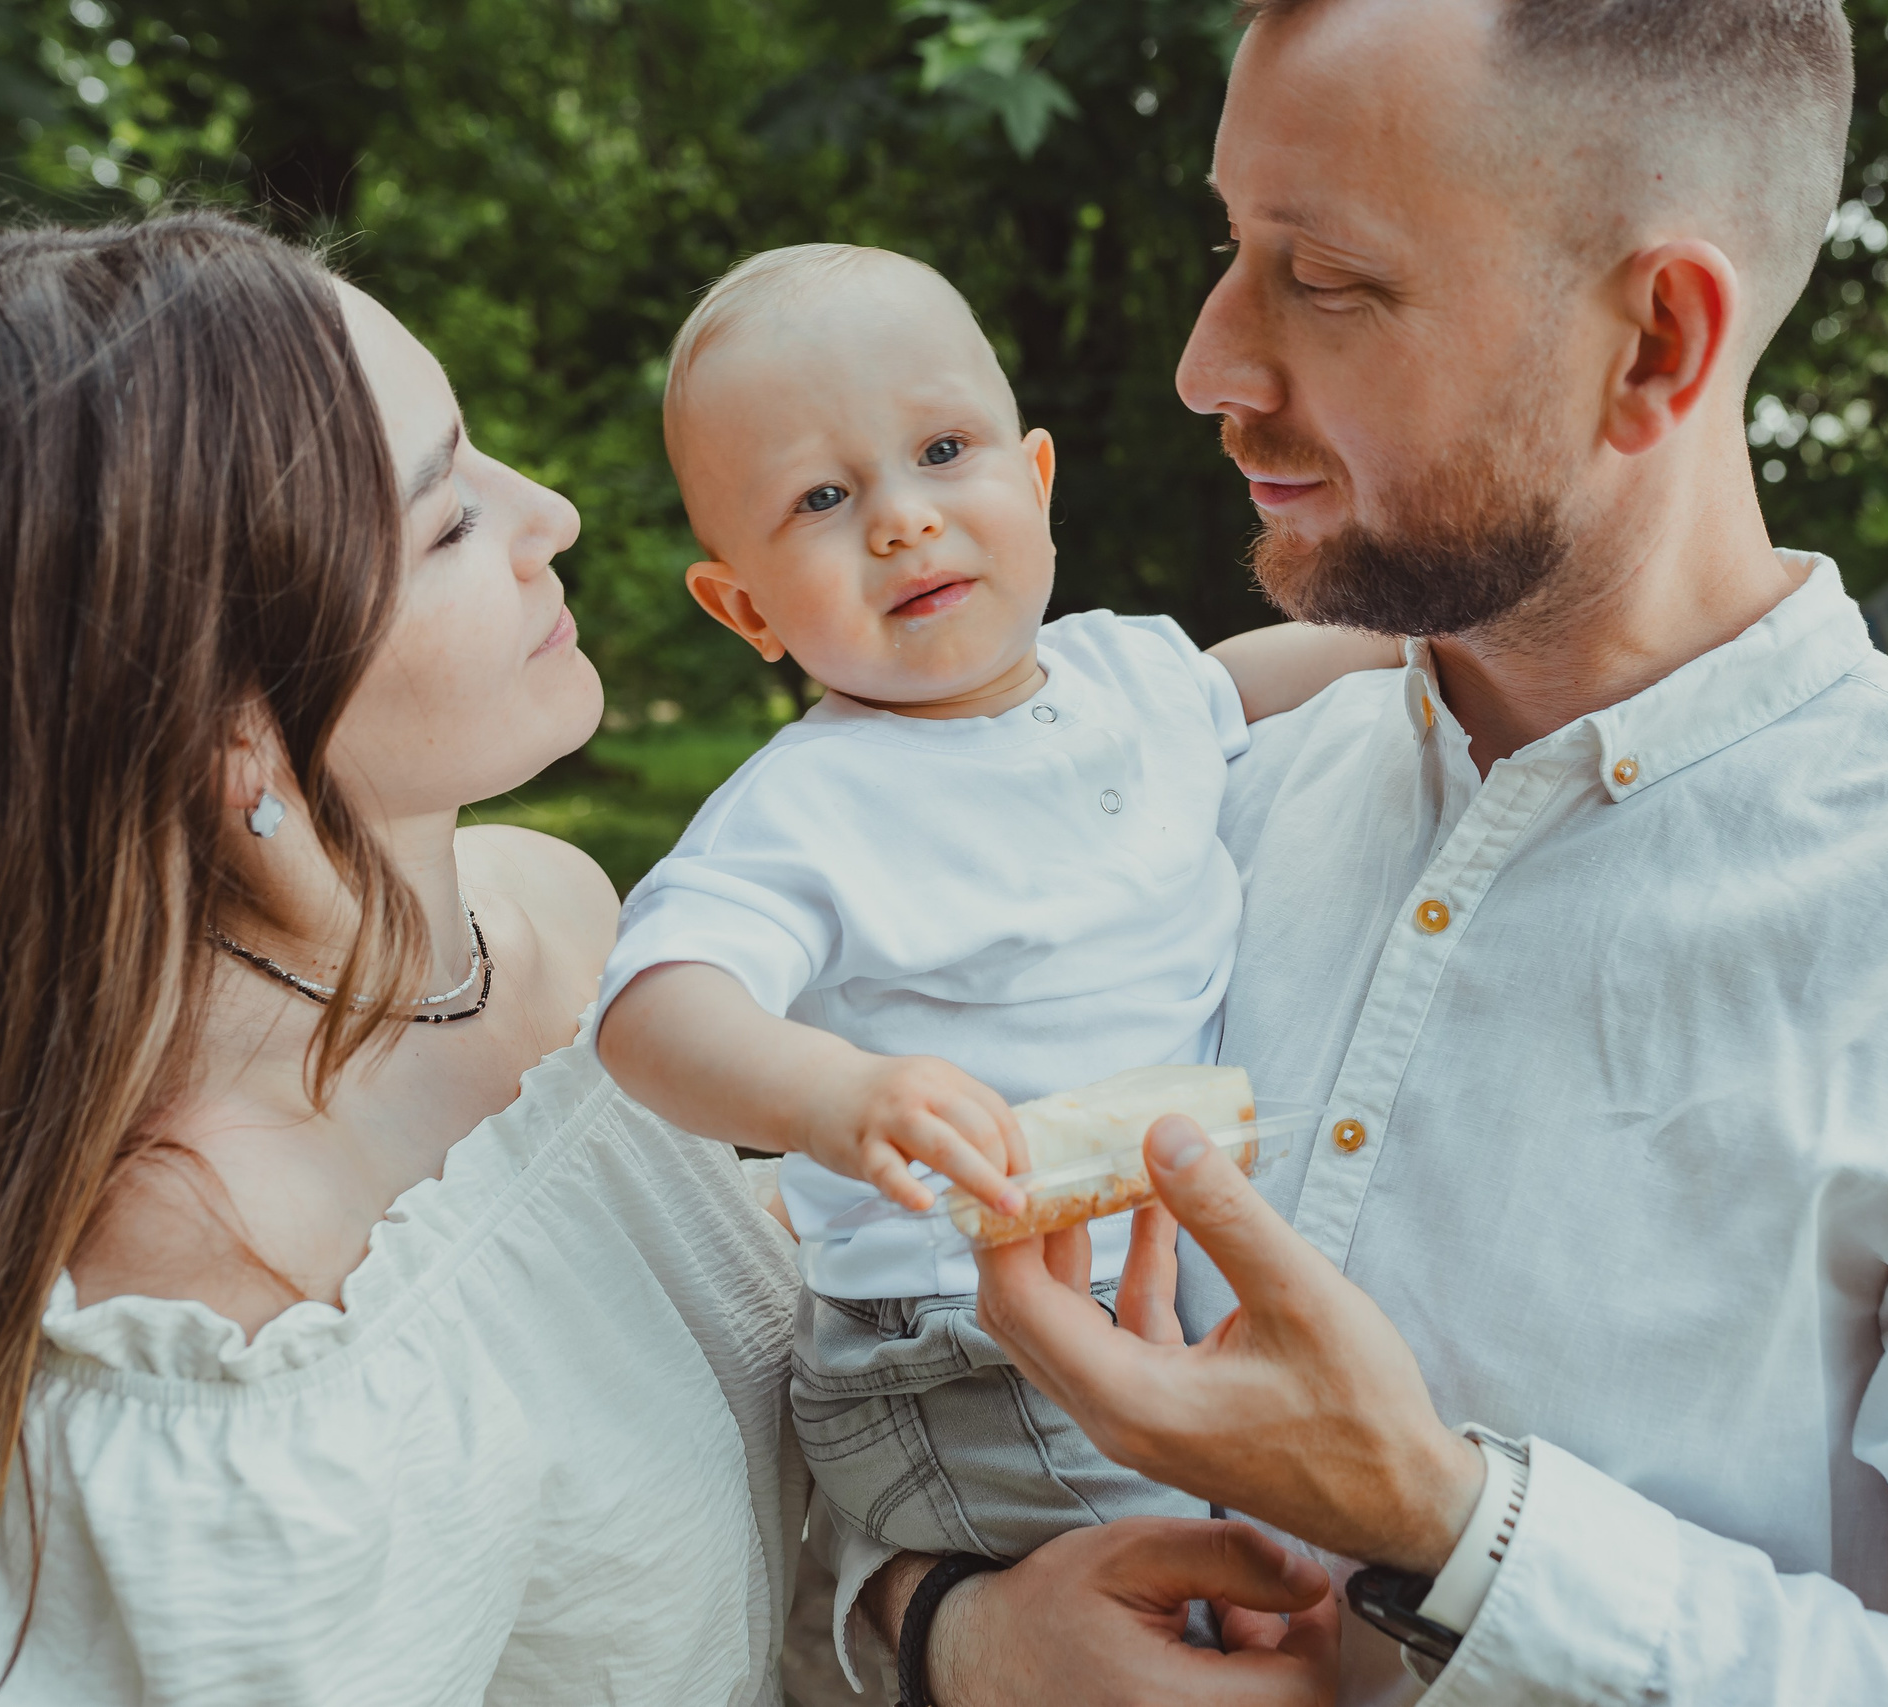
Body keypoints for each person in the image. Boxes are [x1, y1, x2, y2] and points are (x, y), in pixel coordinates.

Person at [964, 1, 1888, 1704]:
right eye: (1228, 243)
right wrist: (946, 1638)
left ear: (1655, 346)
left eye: (1323, 279)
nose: (1209, 367)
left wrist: (1451, 1527)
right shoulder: (1190, 811)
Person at [0, 214, 1337, 1707]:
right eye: (452, 517)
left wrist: (954, 1638)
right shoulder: (236, 1305)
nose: (554, 515)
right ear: (230, 726)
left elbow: (780, 1489)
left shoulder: (546, 917)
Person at [595, 243, 1391, 1568]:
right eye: (822, 496)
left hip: (1138, 1297)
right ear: (745, 609)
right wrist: (833, 1098)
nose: (901, 519)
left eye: (944, 449)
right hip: (954, 1342)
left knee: (1267, 1574)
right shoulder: (814, 803)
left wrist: (1434, 635)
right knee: (1205, 1598)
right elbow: (652, 1006)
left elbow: (1244, 682)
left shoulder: (1133, 672)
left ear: (1036, 479)